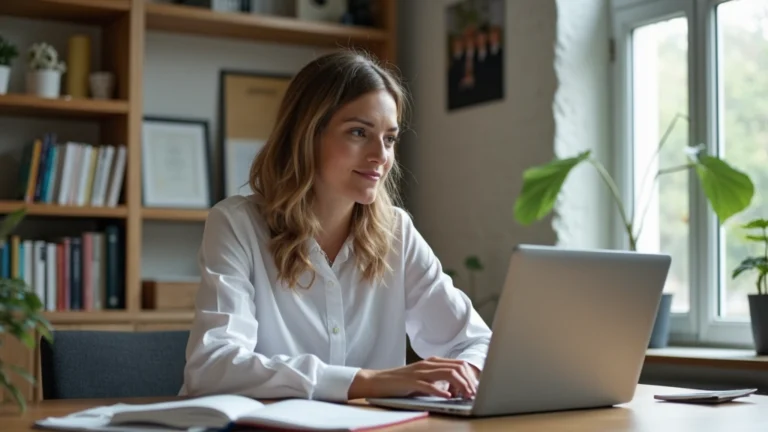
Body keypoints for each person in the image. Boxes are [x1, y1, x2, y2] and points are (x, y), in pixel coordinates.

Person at [180, 50, 492, 403]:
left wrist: (464, 373)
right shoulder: (237, 225)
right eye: (359, 132)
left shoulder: (396, 232)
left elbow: (475, 340)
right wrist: (368, 381)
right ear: (306, 135)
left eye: (389, 138)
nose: (380, 155)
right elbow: (213, 366)